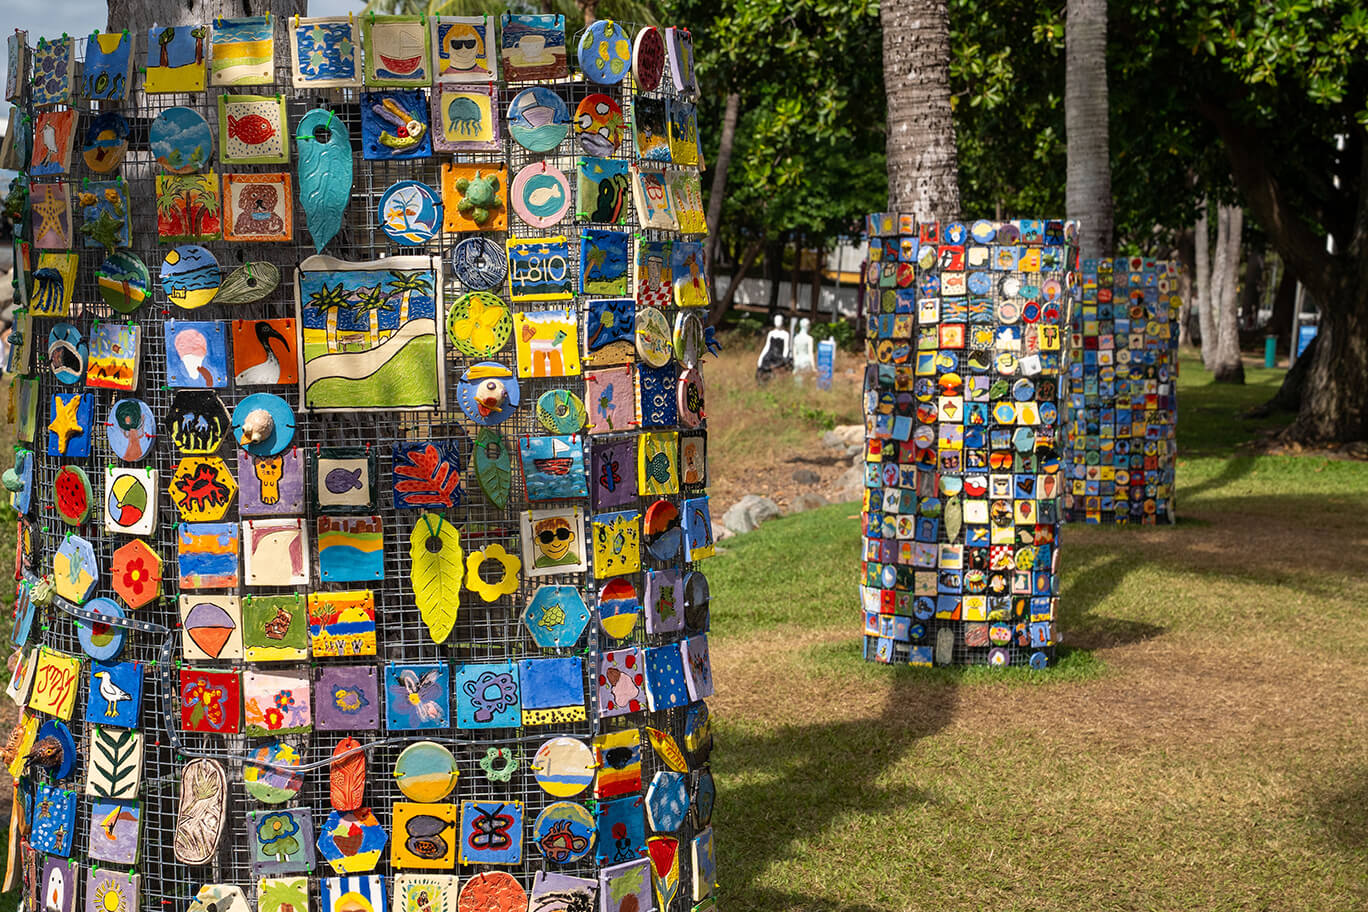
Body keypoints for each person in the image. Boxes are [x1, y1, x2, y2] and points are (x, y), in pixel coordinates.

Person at [755, 314, 791, 383]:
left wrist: (784, 358)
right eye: (776, 320)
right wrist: (761, 357)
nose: (777, 322)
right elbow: (767, 346)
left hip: (779, 356)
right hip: (769, 355)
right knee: (763, 369)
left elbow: (786, 347)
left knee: (778, 371)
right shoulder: (771, 333)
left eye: (779, 320)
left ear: (782, 321)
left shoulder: (785, 334)